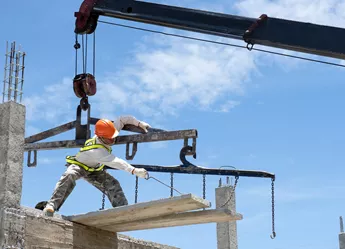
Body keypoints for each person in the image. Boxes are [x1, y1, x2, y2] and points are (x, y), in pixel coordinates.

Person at [43, 116, 151, 216]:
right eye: (109, 139)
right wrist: (133, 170)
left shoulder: (109, 131)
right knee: (69, 175)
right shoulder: (97, 151)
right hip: (79, 165)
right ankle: (51, 205)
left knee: (113, 184)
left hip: (94, 170)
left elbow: (122, 119)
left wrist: (139, 123)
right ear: (101, 137)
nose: (112, 140)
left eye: (113, 137)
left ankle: (123, 211)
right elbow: (117, 162)